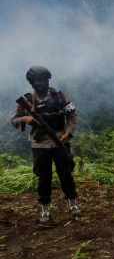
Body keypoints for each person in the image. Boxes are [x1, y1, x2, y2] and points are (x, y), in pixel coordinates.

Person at [11, 65, 81, 223]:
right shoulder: (28, 100)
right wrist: (25, 119)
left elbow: (72, 115)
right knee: (44, 178)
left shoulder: (59, 96)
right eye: (40, 81)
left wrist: (67, 134)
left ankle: (72, 203)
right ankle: (45, 209)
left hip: (59, 141)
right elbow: (14, 119)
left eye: (46, 80)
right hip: (39, 145)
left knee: (65, 174)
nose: (44, 83)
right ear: (33, 83)